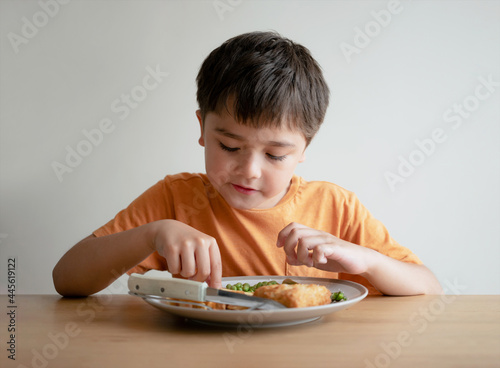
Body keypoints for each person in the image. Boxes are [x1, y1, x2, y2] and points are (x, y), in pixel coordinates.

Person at [53, 31, 442, 297]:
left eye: (275, 155)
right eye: (229, 145)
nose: (250, 170)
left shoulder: (335, 207)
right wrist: (150, 235)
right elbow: (67, 279)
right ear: (203, 128)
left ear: (305, 147)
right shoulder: (175, 199)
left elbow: (429, 287)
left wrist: (367, 261)